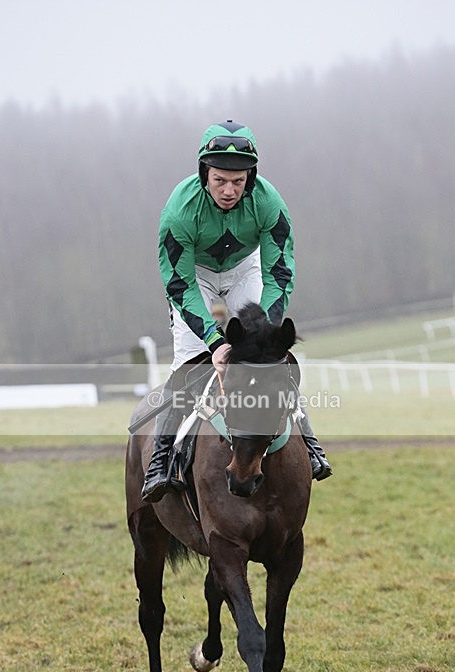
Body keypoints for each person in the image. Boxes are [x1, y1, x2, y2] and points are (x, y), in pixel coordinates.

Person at [141, 120, 332, 503]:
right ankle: (161, 457)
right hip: (195, 277)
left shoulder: (270, 204)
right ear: (204, 175)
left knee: (271, 359)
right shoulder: (179, 212)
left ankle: (308, 441)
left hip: (246, 269)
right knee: (189, 363)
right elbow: (180, 284)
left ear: (250, 178)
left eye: (238, 181)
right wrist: (215, 343)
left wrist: (268, 336)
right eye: (219, 181)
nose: (229, 190)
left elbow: (279, 273)